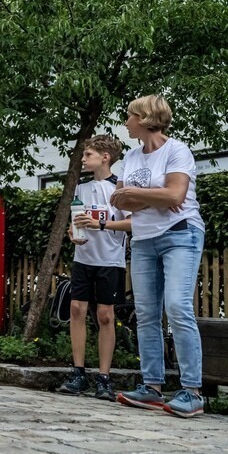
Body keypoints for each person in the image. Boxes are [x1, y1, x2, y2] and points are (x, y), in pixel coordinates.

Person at [111, 95, 207, 419]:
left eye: (129, 116)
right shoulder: (131, 157)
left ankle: (192, 392)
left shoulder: (177, 150)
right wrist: (157, 197)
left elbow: (176, 196)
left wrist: (138, 195)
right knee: (146, 313)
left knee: (178, 307)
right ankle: (152, 387)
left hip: (181, 234)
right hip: (143, 239)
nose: (125, 122)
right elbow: (120, 203)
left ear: (146, 118)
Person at [56, 135, 131, 401]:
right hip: (83, 257)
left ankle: (104, 378)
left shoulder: (120, 189)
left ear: (105, 157)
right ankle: (78, 373)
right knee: (77, 309)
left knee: (105, 316)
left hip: (110, 260)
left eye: (88, 154)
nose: (83, 159)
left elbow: (132, 224)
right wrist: (72, 233)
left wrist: (100, 225)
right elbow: (76, 223)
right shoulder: (81, 188)